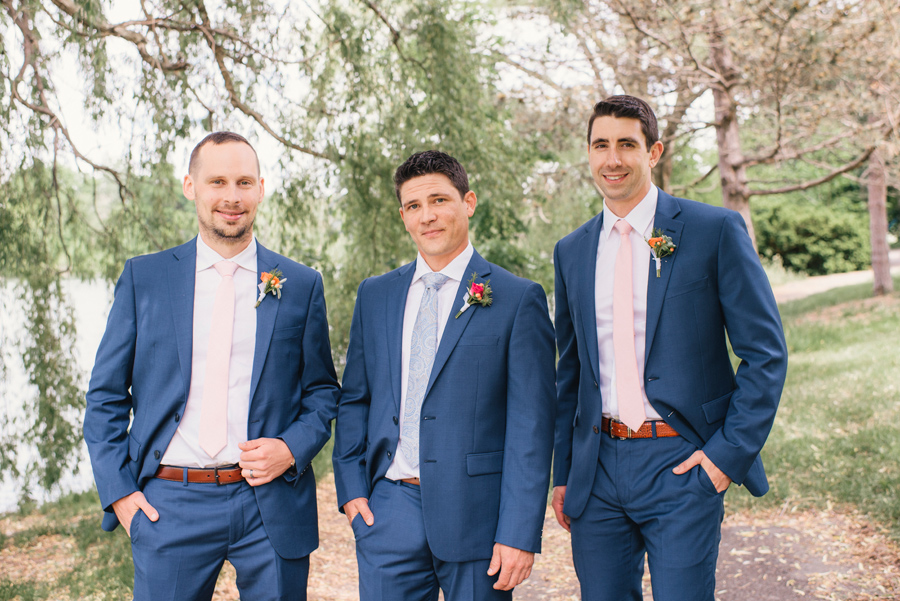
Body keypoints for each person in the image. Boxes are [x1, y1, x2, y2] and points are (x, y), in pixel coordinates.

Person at [83, 131, 340, 601]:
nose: (231, 197)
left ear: (261, 188)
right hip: (169, 503)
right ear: (191, 186)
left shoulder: (300, 285)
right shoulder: (146, 278)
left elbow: (323, 391)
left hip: (271, 503)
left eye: (244, 182)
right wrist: (120, 494)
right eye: (217, 181)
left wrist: (290, 447)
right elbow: (104, 396)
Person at [551, 95, 788, 601]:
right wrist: (563, 471)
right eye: (600, 145)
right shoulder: (571, 251)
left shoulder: (712, 230)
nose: (612, 159)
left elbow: (765, 352)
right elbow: (568, 372)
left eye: (626, 145)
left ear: (653, 152)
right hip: (597, 469)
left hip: (683, 460)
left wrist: (725, 457)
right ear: (588, 154)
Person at [332, 150, 556, 601]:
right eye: (414, 206)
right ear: (403, 216)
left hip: (478, 520)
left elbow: (531, 427)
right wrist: (353, 490)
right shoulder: (376, 296)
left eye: (439, 200)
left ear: (468, 202)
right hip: (387, 514)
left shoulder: (516, 299)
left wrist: (518, 532)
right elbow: (356, 397)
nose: (427, 216)